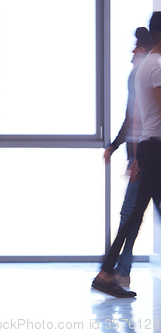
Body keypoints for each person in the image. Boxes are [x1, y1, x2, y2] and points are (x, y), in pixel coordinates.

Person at [92, 13, 161, 297]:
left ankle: (107, 273)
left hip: (150, 148)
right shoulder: (156, 66)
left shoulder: (148, 65)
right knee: (132, 216)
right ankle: (110, 272)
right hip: (156, 150)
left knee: (132, 217)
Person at [103, 27, 153, 287]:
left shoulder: (145, 73)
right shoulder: (140, 74)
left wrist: (136, 158)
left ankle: (116, 271)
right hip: (142, 153)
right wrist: (114, 146)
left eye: (136, 47)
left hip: (145, 155)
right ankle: (117, 270)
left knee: (130, 213)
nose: (132, 52)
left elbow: (143, 120)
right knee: (132, 213)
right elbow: (131, 119)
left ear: (144, 49)